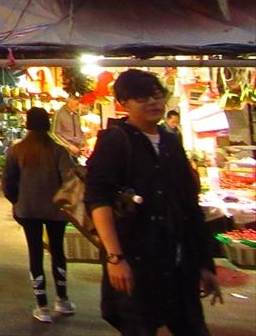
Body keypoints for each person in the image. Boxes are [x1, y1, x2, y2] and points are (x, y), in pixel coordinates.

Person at [85, 69, 221, 335]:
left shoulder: (171, 141)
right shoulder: (115, 140)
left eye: (157, 96)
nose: (153, 103)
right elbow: (97, 200)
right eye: (142, 98)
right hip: (137, 263)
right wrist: (115, 258)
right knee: (139, 328)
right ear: (124, 104)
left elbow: (189, 206)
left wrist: (205, 264)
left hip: (179, 265)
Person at [2, 107, 76, 323]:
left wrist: (17, 201)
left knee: (35, 253)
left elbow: (8, 182)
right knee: (57, 250)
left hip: (28, 210)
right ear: (47, 125)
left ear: (28, 125)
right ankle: (62, 299)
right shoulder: (59, 151)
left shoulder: (17, 150)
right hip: (56, 211)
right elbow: (69, 180)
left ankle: (42, 305)